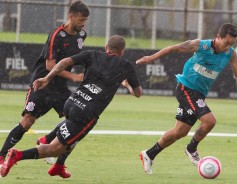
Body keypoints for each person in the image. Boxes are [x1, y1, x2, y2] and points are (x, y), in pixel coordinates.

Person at [0, 35, 142, 178]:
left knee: (73, 135)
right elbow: (137, 93)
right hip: (86, 113)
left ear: (106, 47)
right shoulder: (125, 66)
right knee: (55, 149)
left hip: (71, 102)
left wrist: (47, 78)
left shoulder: (92, 54)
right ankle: (17, 155)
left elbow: (65, 62)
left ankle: (58, 166)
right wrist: (127, 84)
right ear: (122, 51)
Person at [137, 23, 237, 174]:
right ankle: (191, 149)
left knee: (180, 132)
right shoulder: (201, 46)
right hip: (186, 88)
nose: (228, 47)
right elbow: (173, 48)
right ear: (218, 37)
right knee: (210, 121)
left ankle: (149, 154)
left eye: (232, 44)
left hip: (199, 93)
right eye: (226, 43)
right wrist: (151, 58)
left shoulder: (231, 53)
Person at [0, 1, 89, 178]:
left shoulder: (82, 35)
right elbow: (50, 65)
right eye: (80, 20)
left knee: (78, 121)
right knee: (27, 121)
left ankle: (56, 160)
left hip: (61, 89)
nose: (83, 24)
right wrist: (74, 77)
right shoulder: (57, 35)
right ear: (71, 17)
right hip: (42, 84)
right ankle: (2, 155)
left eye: (85, 20)